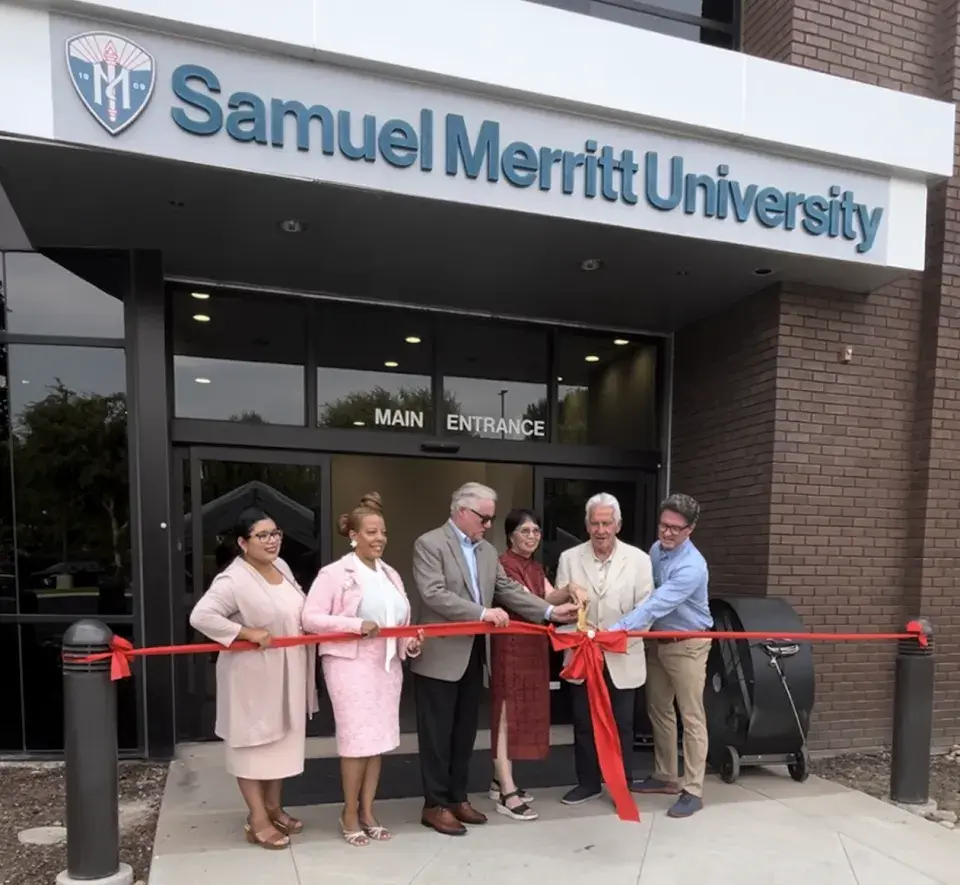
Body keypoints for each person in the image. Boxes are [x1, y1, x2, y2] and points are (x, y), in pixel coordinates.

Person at [409, 482, 581, 836]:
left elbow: (508, 590)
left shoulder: (486, 551)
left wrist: (549, 610)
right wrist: (483, 613)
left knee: (464, 732)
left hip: (474, 653)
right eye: (483, 518)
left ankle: (457, 798)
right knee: (437, 735)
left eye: (491, 519)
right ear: (461, 512)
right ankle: (435, 804)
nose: (488, 525)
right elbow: (434, 594)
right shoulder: (429, 544)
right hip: (441, 655)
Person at [189, 508, 318, 850]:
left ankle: (274, 808)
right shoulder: (233, 580)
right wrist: (244, 631)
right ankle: (257, 819)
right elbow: (201, 616)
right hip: (251, 677)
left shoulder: (282, 567)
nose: (272, 540)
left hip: (287, 670)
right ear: (243, 543)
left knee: (279, 742)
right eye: (263, 535)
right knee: (253, 744)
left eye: (275, 533)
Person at [301, 492, 424, 847]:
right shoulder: (335, 573)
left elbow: (399, 621)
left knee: (378, 743)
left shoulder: (391, 574)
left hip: (386, 667)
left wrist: (408, 644)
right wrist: (355, 624)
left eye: (382, 532)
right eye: (371, 532)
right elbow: (310, 618)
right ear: (354, 535)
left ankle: (368, 811)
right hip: (349, 665)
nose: (379, 538)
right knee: (356, 743)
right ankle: (348, 813)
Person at [613, 493, 712, 819]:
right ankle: (666, 776)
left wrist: (619, 629)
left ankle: (693, 790)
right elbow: (645, 592)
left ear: (690, 530)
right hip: (658, 641)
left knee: (691, 715)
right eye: (663, 525)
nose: (666, 533)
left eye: (675, 528)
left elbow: (656, 603)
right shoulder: (655, 551)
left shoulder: (692, 567)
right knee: (659, 711)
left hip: (689, 644)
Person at [554, 492, 653, 807]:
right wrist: (579, 637)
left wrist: (614, 637)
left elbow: (646, 611)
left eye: (606, 523)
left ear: (618, 525)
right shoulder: (569, 558)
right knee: (583, 723)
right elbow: (562, 611)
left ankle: (621, 786)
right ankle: (587, 783)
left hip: (623, 655)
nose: (600, 530)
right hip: (583, 657)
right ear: (586, 525)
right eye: (594, 523)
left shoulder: (639, 560)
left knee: (622, 725)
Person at [489, 508, 588, 821]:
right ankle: (506, 790)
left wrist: (571, 589)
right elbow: (526, 602)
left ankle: (497, 779)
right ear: (510, 536)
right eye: (524, 531)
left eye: (535, 531)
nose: (531, 537)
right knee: (505, 714)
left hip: (533, 647)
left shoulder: (533, 565)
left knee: (520, 713)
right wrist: (555, 609)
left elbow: (548, 595)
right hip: (510, 646)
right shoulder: (502, 564)